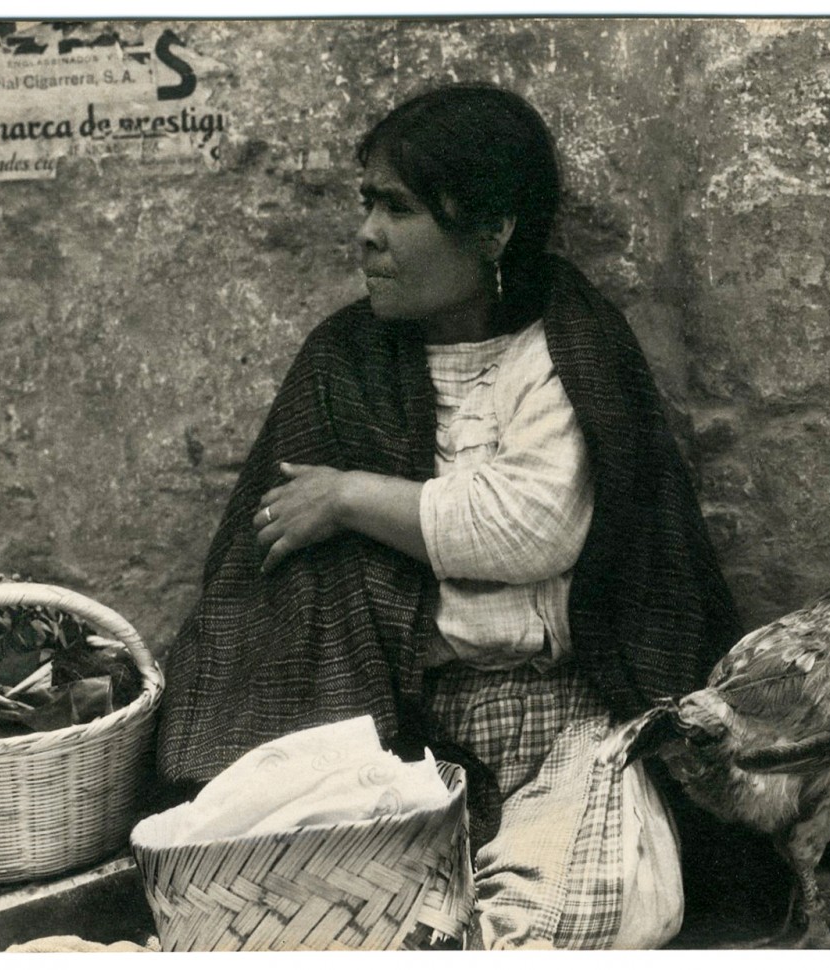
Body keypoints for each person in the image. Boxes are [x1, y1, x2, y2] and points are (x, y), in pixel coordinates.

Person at [157, 83, 743, 949]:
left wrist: (351, 498)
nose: (366, 234)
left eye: (396, 208)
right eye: (367, 203)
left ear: (494, 228)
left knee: (583, 913)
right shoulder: (342, 364)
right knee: (302, 908)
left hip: (564, 716)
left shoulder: (565, 347)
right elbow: (288, 589)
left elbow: (534, 524)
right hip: (401, 730)